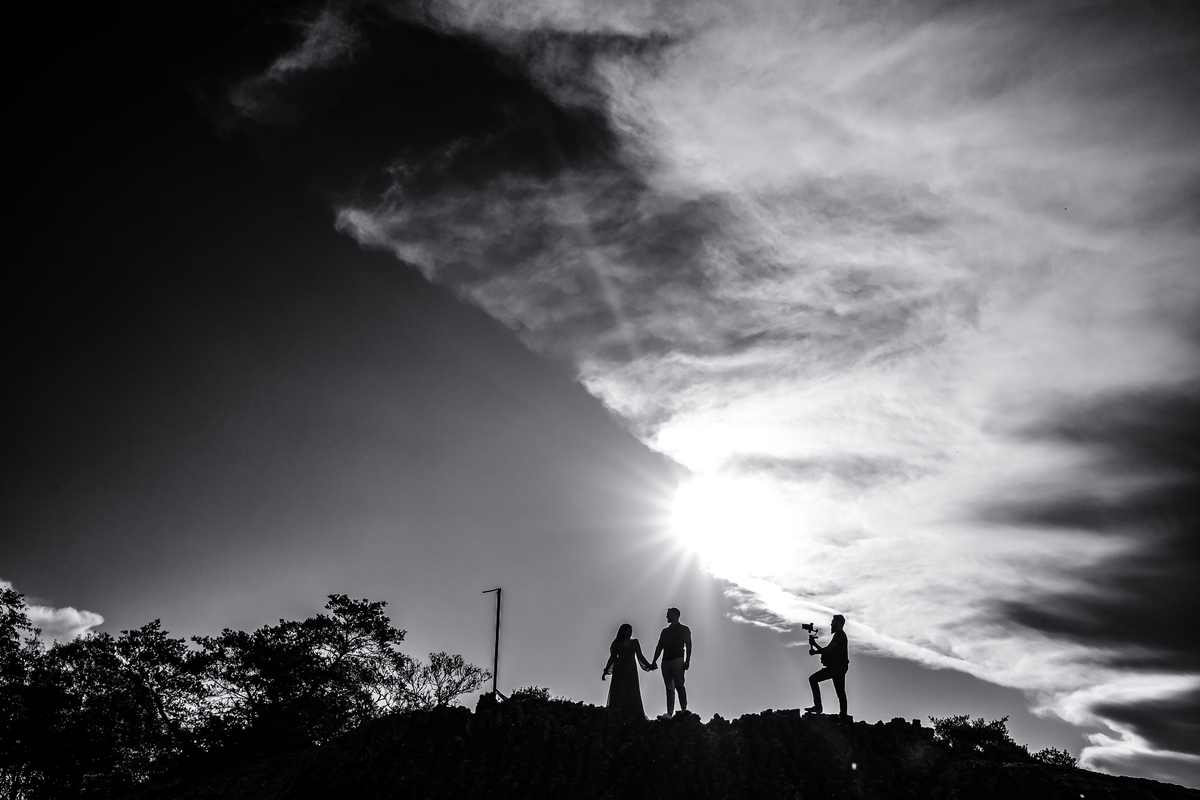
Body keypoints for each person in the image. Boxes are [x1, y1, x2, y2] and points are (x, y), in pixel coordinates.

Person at [602, 623, 656, 718]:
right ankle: (617, 712)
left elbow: (640, 656)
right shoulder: (616, 644)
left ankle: (632, 714)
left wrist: (649, 665)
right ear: (623, 631)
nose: (631, 631)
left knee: (632, 690)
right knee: (619, 690)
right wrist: (606, 670)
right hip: (619, 669)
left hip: (631, 669)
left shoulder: (634, 642)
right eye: (629, 629)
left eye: (631, 630)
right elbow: (612, 657)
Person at [651, 607, 692, 719]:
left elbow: (688, 645)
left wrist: (687, 660)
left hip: (678, 659)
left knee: (679, 684)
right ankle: (669, 713)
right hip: (665, 661)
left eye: (668, 614)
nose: (666, 617)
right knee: (669, 688)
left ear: (675, 615)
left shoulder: (684, 629)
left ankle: (684, 709)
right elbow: (659, 647)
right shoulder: (665, 632)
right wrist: (654, 660)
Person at [805, 614, 849, 717]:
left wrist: (815, 652)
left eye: (832, 621)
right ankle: (843, 715)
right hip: (838, 667)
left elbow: (828, 649)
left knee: (813, 679)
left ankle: (818, 706)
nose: (831, 624)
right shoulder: (840, 635)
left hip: (836, 667)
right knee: (840, 693)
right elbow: (828, 652)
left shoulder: (839, 634)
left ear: (837, 623)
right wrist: (815, 645)